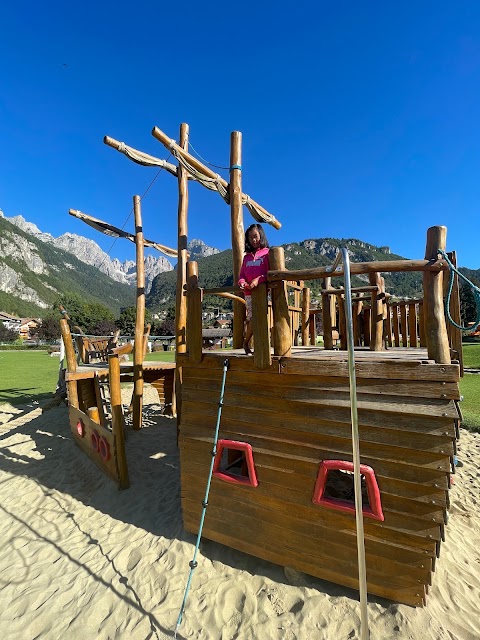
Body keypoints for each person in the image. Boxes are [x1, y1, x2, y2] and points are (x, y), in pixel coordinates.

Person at [238, 223, 270, 354]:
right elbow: (241, 275)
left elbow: (270, 273)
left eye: (255, 236)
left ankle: (256, 346)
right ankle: (246, 343)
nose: (254, 240)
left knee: (259, 318)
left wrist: (259, 280)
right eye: (250, 238)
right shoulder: (246, 257)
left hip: (263, 292)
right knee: (253, 318)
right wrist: (242, 282)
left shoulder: (267, 253)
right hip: (249, 293)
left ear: (261, 235)